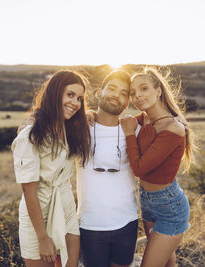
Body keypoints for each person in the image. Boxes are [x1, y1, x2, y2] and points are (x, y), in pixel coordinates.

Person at [11, 70, 91, 267]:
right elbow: (28, 191)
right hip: (39, 212)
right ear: (55, 93)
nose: (75, 103)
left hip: (65, 205)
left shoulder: (70, 127)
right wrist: (42, 237)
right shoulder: (30, 135)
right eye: (70, 95)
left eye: (79, 98)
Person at [120, 67, 196, 267]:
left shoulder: (173, 128)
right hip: (146, 200)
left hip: (170, 207)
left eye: (143, 89)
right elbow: (115, 122)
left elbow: (139, 168)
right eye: (133, 93)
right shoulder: (144, 119)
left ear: (158, 90)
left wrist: (129, 134)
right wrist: (91, 116)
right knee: (166, 263)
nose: (137, 96)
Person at [76, 70, 140, 267]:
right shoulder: (78, 127)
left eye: (123, 93)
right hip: (90, 224)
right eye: (112, 89)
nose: (116, 95)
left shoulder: (135, 129)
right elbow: (44, 123)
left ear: (127, 103)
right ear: (98, 92)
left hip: (127, 223)